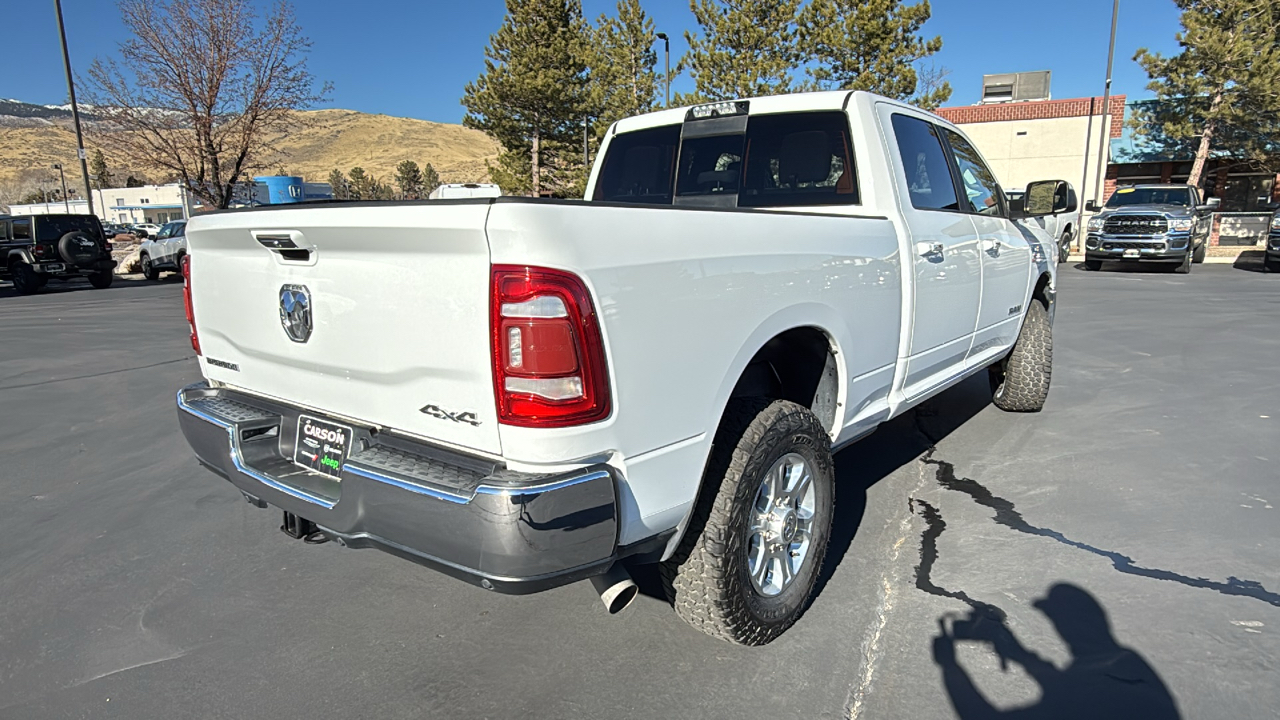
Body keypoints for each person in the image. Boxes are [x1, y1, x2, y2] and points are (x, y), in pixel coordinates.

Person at [933, 583, 1181, 719]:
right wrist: (1019, 654)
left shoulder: (1100, 689)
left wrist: (949, 666)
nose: (1056, 625)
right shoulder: (1126, 663)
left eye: (1056, 618)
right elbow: (1063, 686)